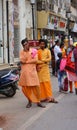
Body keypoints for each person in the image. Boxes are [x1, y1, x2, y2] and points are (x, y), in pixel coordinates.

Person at [18, 38, 45, 108]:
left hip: (33, 72)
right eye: (24, 45)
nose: (26, 45)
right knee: (27, 88)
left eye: (27, 44)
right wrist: (27, 58)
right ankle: (29, 101)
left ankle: (38, 101)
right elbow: (22, 60)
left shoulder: (33, 51)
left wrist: (27, 61)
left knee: (36, 87)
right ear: (23, 45)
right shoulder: (21, 52)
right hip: (25, 72)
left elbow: (35, 60)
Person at [37, 39, 58, 103]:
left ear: (45, 44)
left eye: (43, 44)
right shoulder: (38, 51)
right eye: (41, 44)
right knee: (41, 84)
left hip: (45, 70)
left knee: (47, 84)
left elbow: (49, 59)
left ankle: (49, 98)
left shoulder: (48, 51)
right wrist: (44, 61)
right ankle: (42, 98)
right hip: (40, 70)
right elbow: (36, 61)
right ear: (39, 44)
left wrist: (42, 61)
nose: (42, 45)